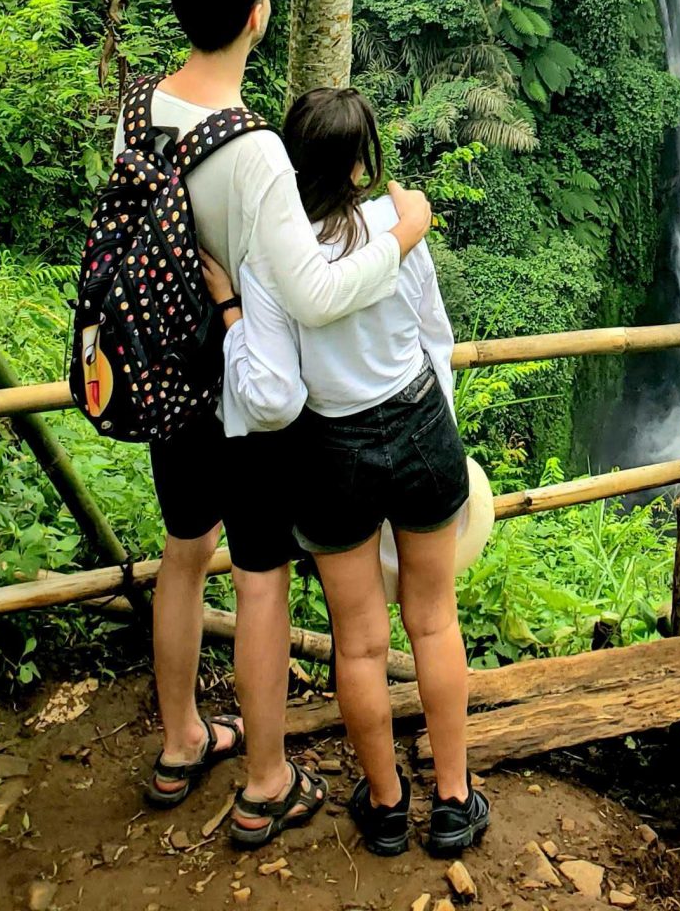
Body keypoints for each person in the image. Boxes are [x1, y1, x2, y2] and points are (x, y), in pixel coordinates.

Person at [119, 0, 433, 848]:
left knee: (184, 552)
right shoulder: (256, 147)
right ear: (258, 14)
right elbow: (315, 290)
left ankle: (182, 740)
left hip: (166, 381)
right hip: (241, 395)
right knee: (258, 578)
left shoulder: (140, 107)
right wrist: (401, 234)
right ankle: (265, 778)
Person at [205, 86, 486, 862]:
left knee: (358, 646)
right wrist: (434, 428)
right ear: (364, 164)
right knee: (434, 620)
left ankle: (388, 808)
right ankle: (456, 804)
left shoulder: (270, 260)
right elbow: (436, 338)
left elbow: (273, 395)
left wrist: (230, 314)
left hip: (333, 454)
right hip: (421, 422)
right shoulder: (399, 231)